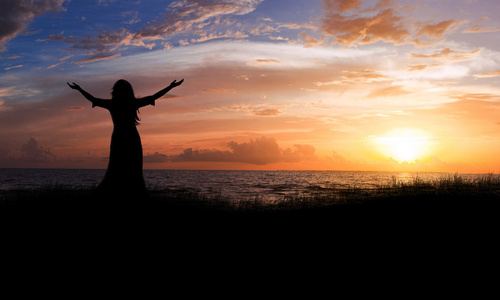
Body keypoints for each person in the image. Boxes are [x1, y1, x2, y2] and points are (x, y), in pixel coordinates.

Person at [68, 79, 184, 202]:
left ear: (115, 92)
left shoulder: (113, 104)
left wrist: (79, 89)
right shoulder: (132, 103)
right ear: (129, 91)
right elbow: (154, 96)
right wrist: (170, 86)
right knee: (131, 166)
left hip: (119, 138)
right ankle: (133, 194)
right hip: (131, 138)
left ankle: (116, 194)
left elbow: (93, 99)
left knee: (117, 166)